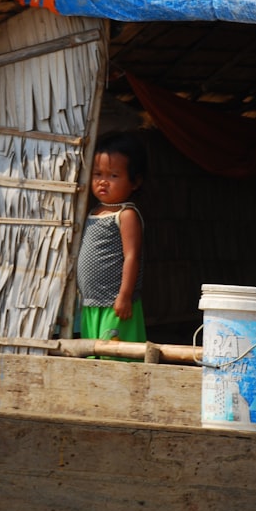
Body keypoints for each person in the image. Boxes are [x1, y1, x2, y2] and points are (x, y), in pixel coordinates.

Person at [76, 131, 148, 351]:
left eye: (113, 176)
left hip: (115, 304)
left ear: (135, 182)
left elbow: (132, 256)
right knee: (93, 352)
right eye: (98, 174)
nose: (103, 182)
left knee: (116, 354)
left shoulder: (126, 214)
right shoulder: (93, 211)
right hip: (91, 303)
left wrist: (124, 296)